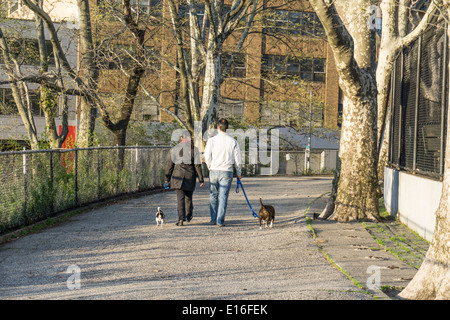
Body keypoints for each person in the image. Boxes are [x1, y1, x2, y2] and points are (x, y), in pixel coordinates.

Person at [204, 118, 242, 227]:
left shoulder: (212, 140)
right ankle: (220, 220)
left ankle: (213, 218)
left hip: (214, 170)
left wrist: (210, 166)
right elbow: (237, 160)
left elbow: (207, 156)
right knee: (224, 196)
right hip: (227, 171)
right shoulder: (233, 141)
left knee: (213, 195)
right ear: (227, 128)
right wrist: (239, 173)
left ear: (218, 127)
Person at [165, 130, 204, 226]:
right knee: (189, 197)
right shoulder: (194, 149)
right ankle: (188, 215)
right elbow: (197, 166)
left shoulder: (175, 149)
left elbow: (170, 165)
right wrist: (201, 179)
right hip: (190, 176)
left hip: (178, 176)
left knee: (180, 199)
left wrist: (167, 178)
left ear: (181, 138)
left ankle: (181, 219)